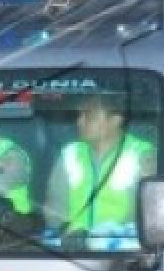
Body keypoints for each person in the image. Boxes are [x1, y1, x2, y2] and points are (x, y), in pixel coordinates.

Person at [45, 95, 156, 239]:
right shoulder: (69, 154)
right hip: (73, 246)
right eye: (79, 115)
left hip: (120, 249)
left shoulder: (142, 155)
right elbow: (55, 208)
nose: (79, 121)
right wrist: (64, 232)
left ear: (116, 119)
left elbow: (147, 212)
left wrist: (111, 235)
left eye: (88, 116)